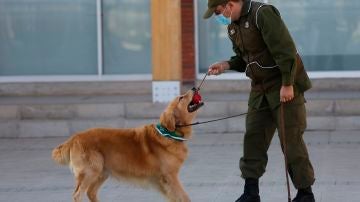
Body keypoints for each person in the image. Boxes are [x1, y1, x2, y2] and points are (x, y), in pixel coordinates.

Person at [203, 0, 315, 202]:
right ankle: (251, 193)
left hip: (284, 85)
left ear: (229, 4)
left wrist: (288, 84)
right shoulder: (233, 27)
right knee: (253, 138)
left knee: (291, 141)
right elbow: (244, 58)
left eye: (219, 11)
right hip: (260, 89)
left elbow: (286, 50)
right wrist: (226, 65)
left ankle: (305, 194)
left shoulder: (262, 14)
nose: (220, 16)